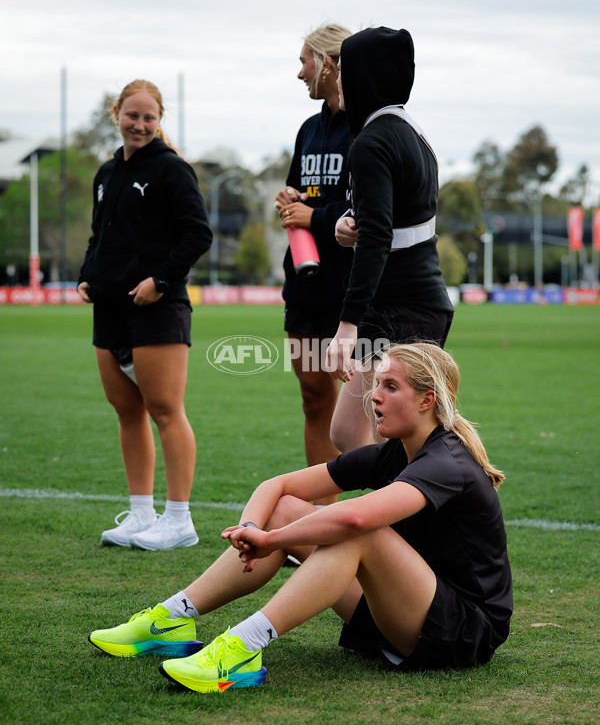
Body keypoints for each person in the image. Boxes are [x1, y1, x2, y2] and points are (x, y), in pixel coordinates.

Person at [88, 342, 512, 693]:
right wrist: (253, 529)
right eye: (376, 383)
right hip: (397, 612)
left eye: (390, 386)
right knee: (288, 511)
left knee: (359, 532)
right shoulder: (394, 452)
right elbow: (278, 486)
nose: (374, 395)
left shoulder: (448, 461)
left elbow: (354, 521)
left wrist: (272, 542)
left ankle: (243, 647)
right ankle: (172, 619)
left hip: (460, 631)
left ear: (427, 400)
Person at [77, 79, 212, 551]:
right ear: (116, 113)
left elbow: (198, 234)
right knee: (126, 411)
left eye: (148, 117)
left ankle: (179, 520)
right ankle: (141, 514)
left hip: (158, 309)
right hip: (110, 312)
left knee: (165, 412)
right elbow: (101, 236)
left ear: (158, 121)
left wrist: (161, 281)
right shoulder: (106, 172)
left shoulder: (173, 171)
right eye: (131, 115)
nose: (139, 124)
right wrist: (87, 275)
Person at [324, 27, 455, 454]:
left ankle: (419, 516)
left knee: (401, 440)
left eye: (343, 70)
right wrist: (350, 223)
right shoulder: (411, 133)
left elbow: (380, 236)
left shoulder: (372, 141)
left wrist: (347, 325)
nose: (337, 80)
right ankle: (386, 518)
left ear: (366, 75)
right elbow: (394, 220)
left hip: (406, 309)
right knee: (349, 435)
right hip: (402, 305)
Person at [274, 23, 354, 498]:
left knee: (365, 413)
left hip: (353, 293)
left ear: (327, 63)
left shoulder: (367, 127)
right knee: (313, 400)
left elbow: (371, 211)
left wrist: (315, 215)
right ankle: (319, 522)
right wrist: (290, 200)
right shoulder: (309, 128)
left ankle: (369, 527)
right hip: (305, 288)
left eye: (304, 60)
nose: (299, 71)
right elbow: (301, 194)